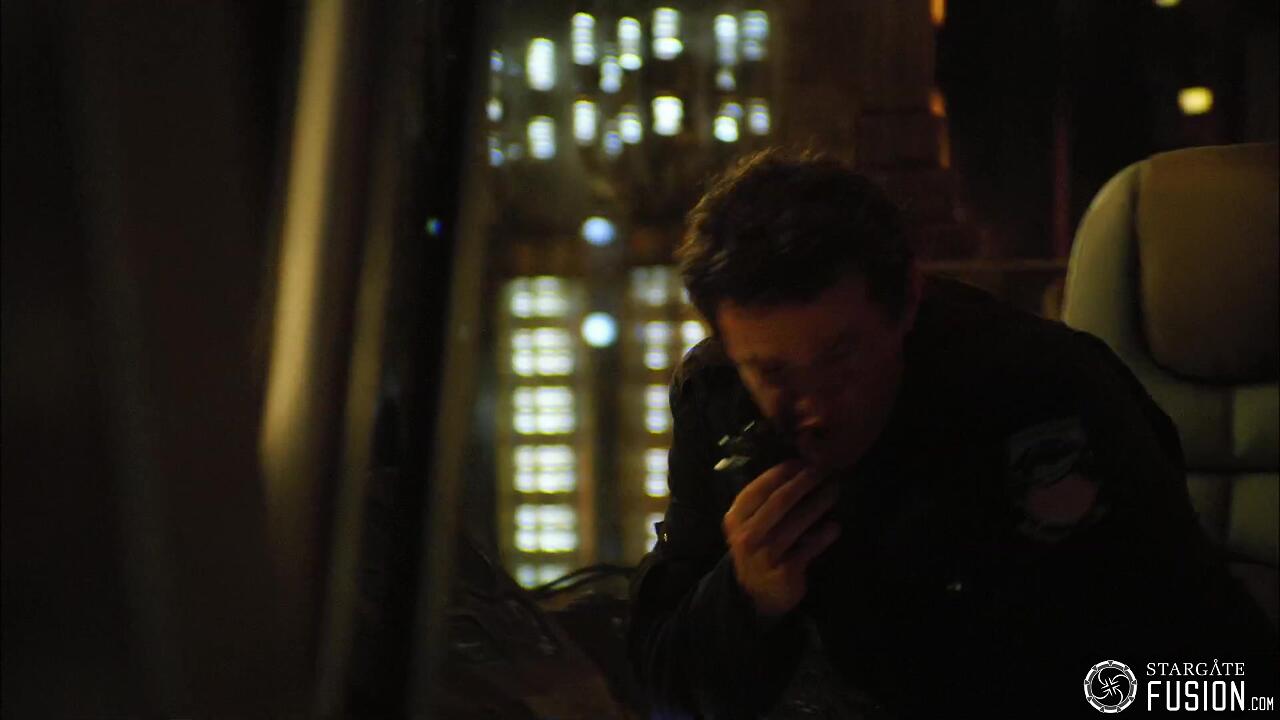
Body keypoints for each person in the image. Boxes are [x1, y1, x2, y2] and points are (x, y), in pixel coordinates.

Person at [627, 150, 1276, 719]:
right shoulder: (717, 398)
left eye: (840, 357)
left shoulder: (1045, 394)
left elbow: (1222, 676)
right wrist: (745, 599)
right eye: (772, 373)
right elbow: (661, 686)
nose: (815, 407)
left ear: (907, 302)